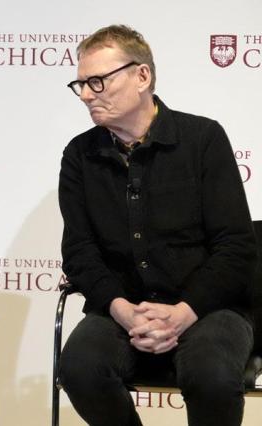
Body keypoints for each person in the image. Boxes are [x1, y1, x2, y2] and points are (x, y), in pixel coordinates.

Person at [58, 25, 256, 426]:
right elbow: (79, 252)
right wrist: (123, 311)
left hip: (208, 308)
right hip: (121, 309)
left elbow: (236, 245)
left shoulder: (203, 139)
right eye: (79, 84)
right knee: (79, 368)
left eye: (97, 81)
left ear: (142, 76)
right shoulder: (79, 155)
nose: (85, 95)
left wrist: (184, 311)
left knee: (212, 375)